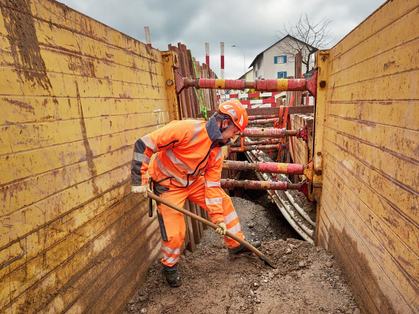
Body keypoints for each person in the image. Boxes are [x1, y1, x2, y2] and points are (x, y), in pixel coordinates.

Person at [131, 100, 260, 287]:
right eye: (235, 131)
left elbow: (213, 186)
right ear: (225, 123)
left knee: (223, 204)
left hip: (192, 182)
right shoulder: (186, 129)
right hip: (168, 185)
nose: (234, 137)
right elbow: (143, 144)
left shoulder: (216, 151)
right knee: (175, 234)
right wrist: (140, 181)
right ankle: (170, 266)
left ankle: (236, 245)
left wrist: (218, 219)